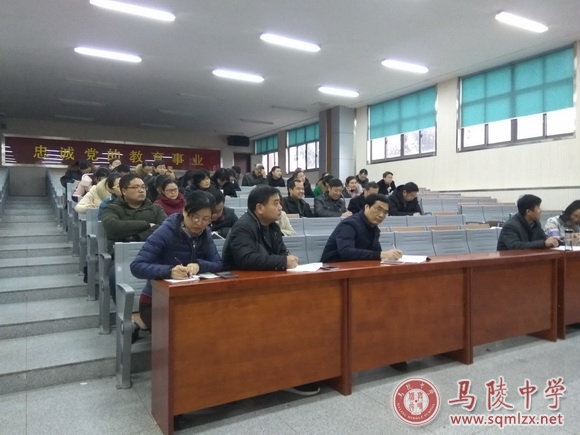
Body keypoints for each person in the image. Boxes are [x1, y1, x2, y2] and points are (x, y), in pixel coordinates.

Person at [222, 186, 319, 396]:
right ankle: (282, 374)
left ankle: (302, 370)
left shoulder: (273, 227)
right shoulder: (243, 227)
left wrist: (286, 259)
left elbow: (282, 252)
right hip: (240, 296)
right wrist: (282, 261)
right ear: (259, 208)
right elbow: (246, 259)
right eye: (275, 203)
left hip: (267, 288)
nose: (280, 207)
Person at [131, 190, 223, 331]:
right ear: (184, 211)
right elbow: (137, 266)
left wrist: (199, 265)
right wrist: (169, 271)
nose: (199, 223)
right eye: (195, 217)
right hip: (156, 302)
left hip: (190, 299)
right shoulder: (166, 231)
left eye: (206, 219)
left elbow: (218, 263)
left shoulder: (205, 233)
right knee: (184, 330)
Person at [101, 174, 167, 304]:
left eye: (143, 187)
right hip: (123, 257)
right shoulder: (112, 208)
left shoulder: (155, 208)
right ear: (124, 191)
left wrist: (136, 236)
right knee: (115, 276)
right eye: (136, 187)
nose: (141, 190)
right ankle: (124, 313)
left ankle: (157, 310)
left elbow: (164, 228)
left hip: (154, 256)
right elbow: (113, 227)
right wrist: (146, 224)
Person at [321, 194, 402, 262]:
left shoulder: (374, 228)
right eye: (378, 209)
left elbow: (376, 252)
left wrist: (389, 256)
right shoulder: (349, 224)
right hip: (333, 268)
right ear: (367, 207)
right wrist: (381, 254)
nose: (381, 215)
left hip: (357, 267)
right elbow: (346, 252)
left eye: (385, 212)